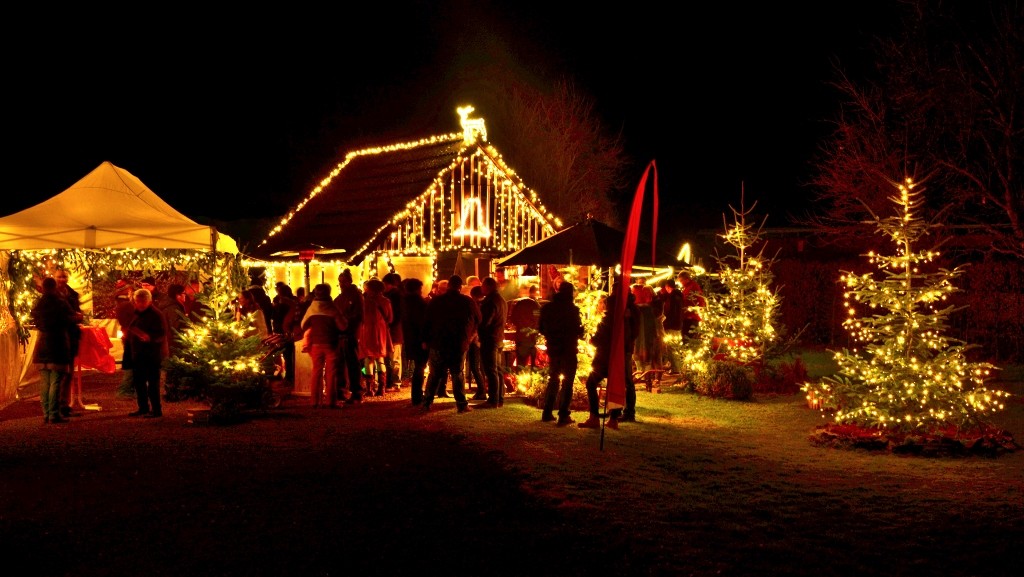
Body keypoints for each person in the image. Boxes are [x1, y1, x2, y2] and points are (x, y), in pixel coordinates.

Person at [579, 284, 640, 430]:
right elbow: (634, 333)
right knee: (618, 384)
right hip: (622, 353)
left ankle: (595, 417)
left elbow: (600, 339)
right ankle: (614, 418)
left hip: (605, 356)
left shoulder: (610, 319)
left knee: (592, 383)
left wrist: (593, 340)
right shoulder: (629, 313)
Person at [420, 275, 481, 413]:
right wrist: (470, 335)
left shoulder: (436, 301)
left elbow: (426, 322)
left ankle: (427, 403)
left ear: (448, 286)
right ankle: (461, 404)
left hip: (438, 342)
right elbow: (478, 319)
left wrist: (425, 340)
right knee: (457, 374)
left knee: (434, 374)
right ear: (460, 287)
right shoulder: (468, 301)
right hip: (459, 342)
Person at [537, 281, 584, 426]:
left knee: (554, 379)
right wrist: (580, 331)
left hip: (554, 348)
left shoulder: (547, 308)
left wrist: (551, 336)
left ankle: (547, 412)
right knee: (567, 382)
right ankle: (563, 414)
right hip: (568, 348)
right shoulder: (572, 309)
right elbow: (577, 329)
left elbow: (541, 328)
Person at [31, 276, 77, 424]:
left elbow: (35, 319)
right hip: (57, 343)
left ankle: (46, 413)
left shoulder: (39, 303)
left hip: (43, 344)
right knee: (56, 381)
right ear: (55, 286)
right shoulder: (60, 302)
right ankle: (54, 414)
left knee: (45, 382)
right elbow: (70, 317)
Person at [301, 283, 347, 408]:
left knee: (316, 371)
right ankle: (331, 401)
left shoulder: (312, 309)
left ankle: (315, 401)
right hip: (331, 343)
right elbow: (343, 326)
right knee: (331, 372)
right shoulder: (332, 308)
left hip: (316, 344)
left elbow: (303, 324)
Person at [125, 288, 167, 418]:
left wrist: (150, 338)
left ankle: (156, 409)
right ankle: (143, 407)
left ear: (149, 301)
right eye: (138, 301)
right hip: (138, 354)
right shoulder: (136, 313)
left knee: (153, 383)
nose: (140, 304)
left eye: (143, 302)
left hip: (151, 354)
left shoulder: (156, 315)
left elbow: (162, 334)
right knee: (139, 382)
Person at [53, 267, 83, 418]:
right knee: (59, 374)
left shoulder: (72, 295)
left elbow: (77, 313)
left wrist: (78, 316)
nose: (62, 279)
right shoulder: (51, 296)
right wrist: (74, 317)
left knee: (68, 372)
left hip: (70, 337)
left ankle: (63, 405)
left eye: (64, 277)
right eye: (59, 277)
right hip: (58, 338)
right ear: (54, 278)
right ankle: (57, 406)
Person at [334, 269, 364, 403]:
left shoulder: (356, 296)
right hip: (341, 332)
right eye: (340, 281)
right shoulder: (341, 297)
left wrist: (344, 322)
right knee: (341, 363)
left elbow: (358, 315)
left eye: (344, 281)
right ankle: (342, 390)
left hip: (350, 333)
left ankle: (356, 392)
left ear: (349, 281)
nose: (341, 284)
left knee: (352, 363)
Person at [359, 278, 393, 397]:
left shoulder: (364, 302)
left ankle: (370, 388)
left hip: (367, 331)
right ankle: (382, 388)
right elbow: (390, 318)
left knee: (368, 359)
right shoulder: (386, 301)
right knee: (380, 359)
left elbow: (361, 317)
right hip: (381, 332)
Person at [476, 276, 507, 407]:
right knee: (497, 370)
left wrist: (479, 332)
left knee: (491, 370)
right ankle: (499, 398)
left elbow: (485, 321)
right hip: (498, 337)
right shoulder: (501, 299)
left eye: (482, 285)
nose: (481, 288)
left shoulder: (490, 301)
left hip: (490, 339)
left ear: (488, 286)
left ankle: (493, 400)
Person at [400, 277, 429, 406]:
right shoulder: (419, 303)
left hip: (409, 338)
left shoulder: (404, 302)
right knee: (420, 367)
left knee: (418, 366)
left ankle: (416, 395)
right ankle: (417, 396)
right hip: (419, 339)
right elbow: (422, 323)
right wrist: (424, 339)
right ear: (417, 289)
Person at [508, 284, 540, 371]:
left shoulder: (519, 304)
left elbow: (513, 318)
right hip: (532, 338)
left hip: (521, 337)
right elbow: (538, 320)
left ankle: (520, 377)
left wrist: (520, 326)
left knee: (521, 364)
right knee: (533, 366)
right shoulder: (535, 305)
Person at [272, 282, 298, 385]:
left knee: (287, 355)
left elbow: (277, 317)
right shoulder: (294, 302)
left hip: (284, 331)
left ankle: (289, 377)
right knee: (290, 355)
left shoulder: (283, 304)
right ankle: (291, 376)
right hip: (290, 331)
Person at [382, 272, 404, 391]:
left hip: (393, 331)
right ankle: (393, 381)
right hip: (394, 331)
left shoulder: (393, 296)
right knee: (393, 358)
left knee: (393, 358)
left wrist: (390, 324)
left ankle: (394, 381)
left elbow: (397, 315)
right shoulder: (395, 295)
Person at [113, 280, 137, 391]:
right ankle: (126, 388)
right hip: (131, 335)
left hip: (127, 334)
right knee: (132, 361)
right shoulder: (127, 305)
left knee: (130, 360)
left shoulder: (120, 304)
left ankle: (128, 388)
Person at [466, 285, 487, 400]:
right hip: (481, 339)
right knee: (480, 366)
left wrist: (471, 338)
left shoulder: (476, 306)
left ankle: (482, 391)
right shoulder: (485, 304)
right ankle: (481, 390)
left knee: (475, 366)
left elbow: (476, 324)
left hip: (475, 340)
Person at [677, 269, 706, 339]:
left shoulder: (692, 287)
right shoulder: (688, 287)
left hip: (691, 317)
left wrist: (691, 310)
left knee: (688, 337)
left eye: (681, 280)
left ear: (687, 279)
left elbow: (699, 301)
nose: (681, 283)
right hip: (688, 316)